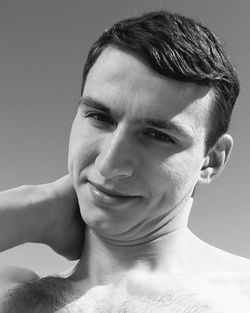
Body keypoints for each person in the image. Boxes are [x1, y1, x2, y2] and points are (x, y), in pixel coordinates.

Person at [0, 10, 250, 312]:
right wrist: (31, 208)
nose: (109, 164)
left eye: (157, 135)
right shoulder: (16, 298)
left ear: (211, 159)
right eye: (99, 117)